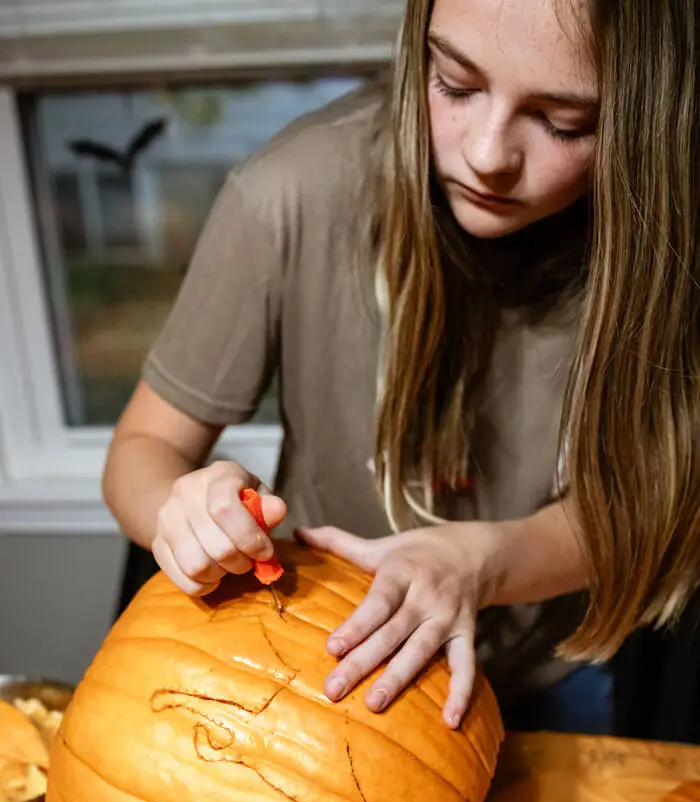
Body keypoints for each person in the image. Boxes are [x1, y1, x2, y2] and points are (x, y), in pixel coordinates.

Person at [103, 0, 699, 733]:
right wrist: (186, 511)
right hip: (331, 656)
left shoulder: (671, 240)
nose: (488, 153)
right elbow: (142, 449)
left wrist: (484, 561)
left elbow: (650, 507)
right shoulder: (287, 192)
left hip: (549, 667)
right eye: (455, 84)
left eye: (562, 123)